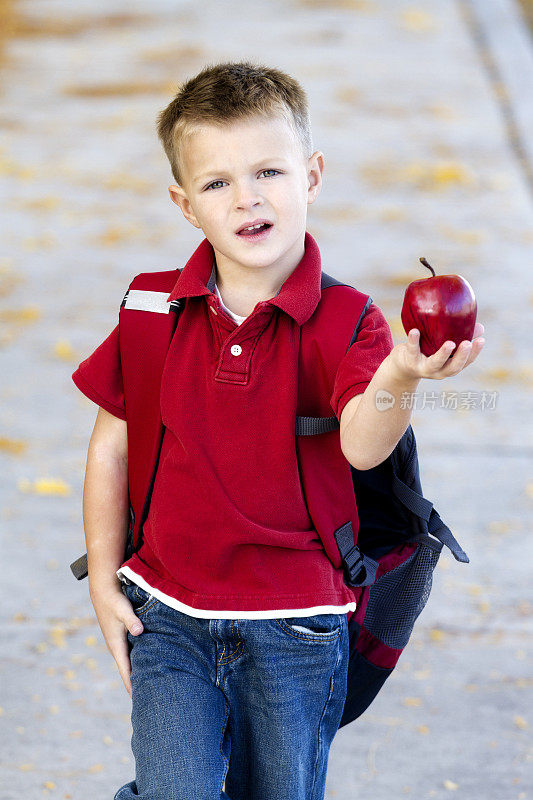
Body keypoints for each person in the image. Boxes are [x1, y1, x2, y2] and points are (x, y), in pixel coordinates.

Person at [72, 60, 485, 800]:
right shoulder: (149, 309)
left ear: (312, 175)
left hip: (296, 629)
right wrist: (104, 578)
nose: (247, 197)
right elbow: (111, 445)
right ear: (184, 204)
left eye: (268, 171)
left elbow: (361, 444)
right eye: (217, 182)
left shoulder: (346, 319)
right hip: (170, 616)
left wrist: (400, 373)